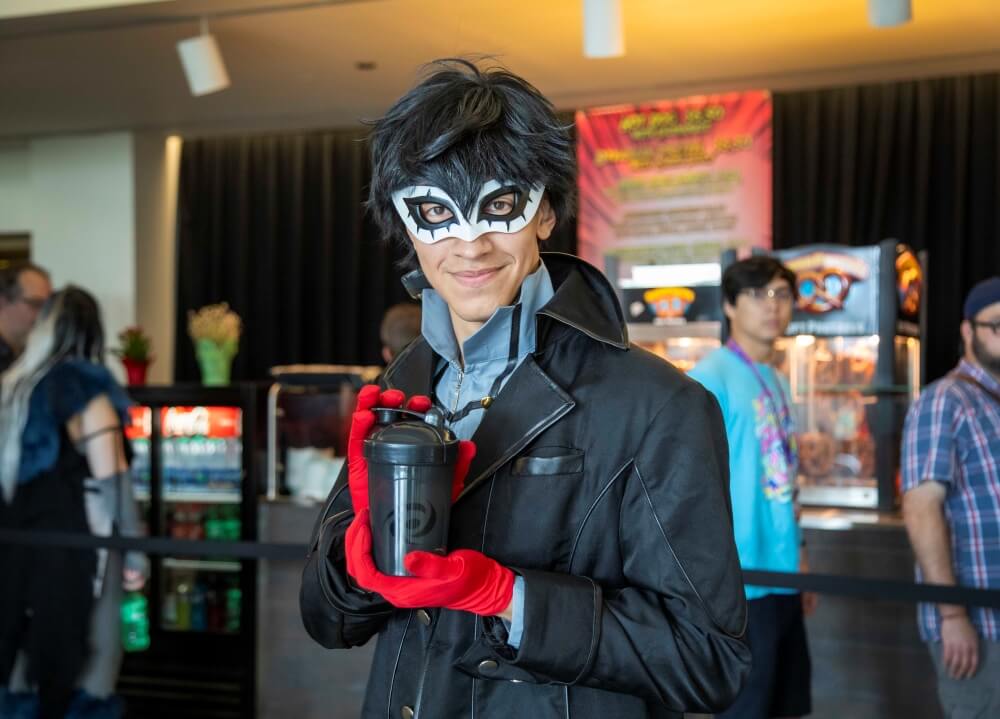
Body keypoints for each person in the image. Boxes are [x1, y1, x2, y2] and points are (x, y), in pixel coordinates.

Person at [299, 59, 750, 719]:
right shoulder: (402, 386)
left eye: (500, 205)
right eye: (435, 211)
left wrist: (510, 599)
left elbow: (709, 660)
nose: (470, 242)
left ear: (544, 211)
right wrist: (353, 557)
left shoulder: (656, 406)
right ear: (405, 224)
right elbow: (326, 618)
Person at [0, 287, 148, 719]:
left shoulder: (14, 388)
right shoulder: (87, 391)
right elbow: (113, 480)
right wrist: (136, 554)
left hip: (18, 539)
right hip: (80, 536)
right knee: (96, 653)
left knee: (23, 652)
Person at [688, 256, 814, 719]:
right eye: (759, 295)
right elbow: (693, 485)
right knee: (748, 704)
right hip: (739, 577)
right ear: (729, 305)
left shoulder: (778, 380)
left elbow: (786, 474)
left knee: (786, 701)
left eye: (782, 295)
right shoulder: (709, 378)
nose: (773, 306)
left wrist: (801, 553)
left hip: (783, 570)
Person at [901, 276, 1000, 719]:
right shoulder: (945, 400)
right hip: (979, 626)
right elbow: (921, 508)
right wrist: (952, 615)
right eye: (997, 326)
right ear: (967, 331)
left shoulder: (993, 402)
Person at [0, 263, 52, 373]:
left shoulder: (36, 356)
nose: (44, 314)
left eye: (48, 306)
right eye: (36, 304)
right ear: (3, 302)